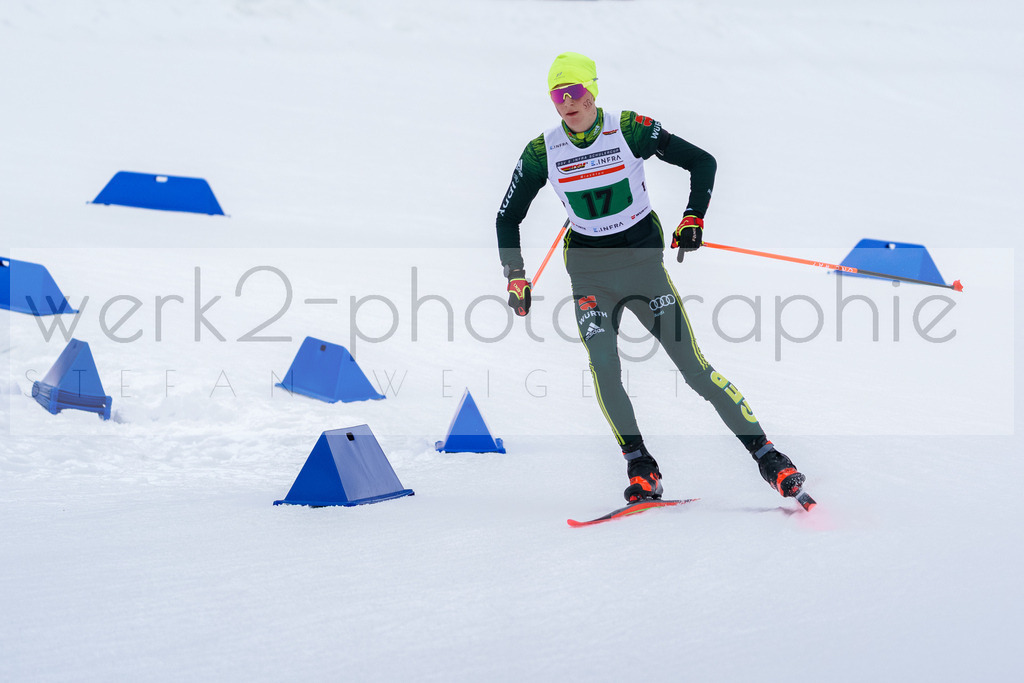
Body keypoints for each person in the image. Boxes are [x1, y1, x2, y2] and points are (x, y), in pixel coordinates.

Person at [495, 51, 809, 504]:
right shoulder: (543, 151)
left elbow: (702, 161)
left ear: (592, 90)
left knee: (694, 370)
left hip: (642, 268)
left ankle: (769, 457)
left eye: (576, 91)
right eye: (558, 95)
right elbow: (507, 217)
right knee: (605, 368)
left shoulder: (628, 129)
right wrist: (516, 275)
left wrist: (693, 217)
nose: (568, 103)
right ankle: (641, 466)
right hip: (589, 276)